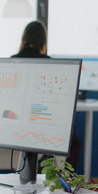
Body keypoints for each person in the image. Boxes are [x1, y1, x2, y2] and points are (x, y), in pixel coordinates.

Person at [12, 20, 81, 169]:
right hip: (40, 122)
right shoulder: (48, 62)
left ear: (24, 38)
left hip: (16, 123)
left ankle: (36, 167)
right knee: (73, 141)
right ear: (42, 40)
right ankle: (59, 178)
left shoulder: (13, 60)